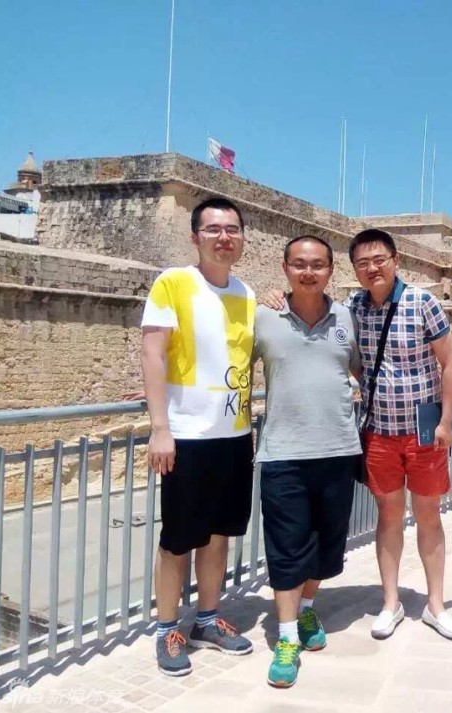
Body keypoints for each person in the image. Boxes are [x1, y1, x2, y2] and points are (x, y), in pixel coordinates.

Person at [141, 197, 256, 677]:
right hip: (186, 436)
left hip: (235, 434)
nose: (224, 237)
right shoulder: (173, 283)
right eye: (213, 229)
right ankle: (168, 628)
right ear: (195, 237)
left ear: (242, 238)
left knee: (219, 534)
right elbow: (153, 353)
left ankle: (207, 619)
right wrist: (160, 427)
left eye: (232, 229)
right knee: (178, 540)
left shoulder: (247, 293)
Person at [252, 236, 362, 688]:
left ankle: (307, 609)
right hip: (283, 453)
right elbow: (226, 367)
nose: (308, 272)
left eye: (317, 265)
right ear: (285, 269)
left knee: (327, 544)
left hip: (338, 450)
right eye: (299, 264)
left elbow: (364, 370)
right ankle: (286, 638)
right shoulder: (263, 316)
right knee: (286, 547)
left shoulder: (348, 319)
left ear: (331, 271)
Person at [348, 229, 452, 641]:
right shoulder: (354, 307)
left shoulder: (421, 302)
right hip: (379, 432)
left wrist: (445, 422)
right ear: (355, 270)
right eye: (363, 263)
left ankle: (435, 605)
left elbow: (449, 362)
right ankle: (390, 603)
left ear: (396, 261)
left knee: (429, 516)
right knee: (389, 517)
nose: (372, 268)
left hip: (423, 432)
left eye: (379, 260)